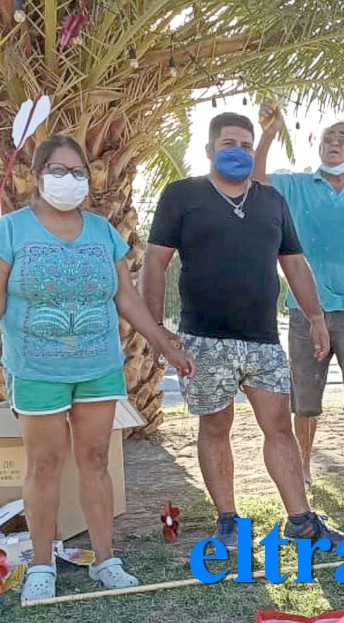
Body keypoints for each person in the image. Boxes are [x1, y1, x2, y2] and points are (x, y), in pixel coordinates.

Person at [0, 135, 195, 603]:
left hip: (98, 366)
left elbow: (125, 296)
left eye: (78, 172)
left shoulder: (102, 231)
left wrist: (163, 344)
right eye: (59, 170)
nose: (69, 180)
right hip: (36, 367)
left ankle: (106, 560)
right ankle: (42, 566)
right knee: (44, 464)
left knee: (95, 461)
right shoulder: (12, 230)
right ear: (39, 174)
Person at [142, 112, 344, 550]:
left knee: (279, 426)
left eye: (245, 144)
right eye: (228, 143)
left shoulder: (271, 201)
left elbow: (294, 262)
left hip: (263, 339)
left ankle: (301, 520)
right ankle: (228, 519)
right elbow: (154, 263)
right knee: (216, 427)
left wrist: (315, 317)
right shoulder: (183, 195)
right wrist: (157, 330)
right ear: (210, 149)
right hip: (203, 339)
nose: (237, 150)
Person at [252, 102, 344, 490]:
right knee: (304, 396)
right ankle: (302, 469)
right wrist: (269, 131)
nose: (335, 142)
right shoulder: (297, 185)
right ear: (319, 146)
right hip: (305, 310)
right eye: (329, 137)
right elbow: (256, 176)